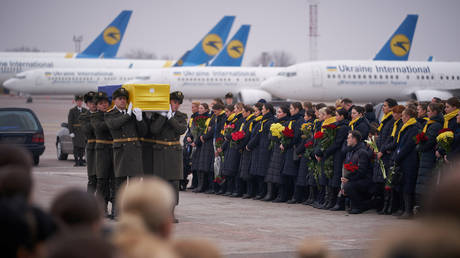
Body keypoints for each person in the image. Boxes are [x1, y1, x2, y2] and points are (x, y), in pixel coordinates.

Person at [104, 87, 147, 218]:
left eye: (125, 99)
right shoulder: (109, 114)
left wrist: (139, 119)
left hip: (134, 150)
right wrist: (128, 115)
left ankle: (133, 211)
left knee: (134, 183)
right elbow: (114, 125)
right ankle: (117, 211)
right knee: (120, 183)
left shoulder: (132, 113)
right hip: (121, 150)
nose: (123, 101)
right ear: (114, 100)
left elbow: (143, 132)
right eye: (120, 99)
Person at [150, 91, 188, 223]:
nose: (175, 105)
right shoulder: (158, 115)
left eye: (178, 103)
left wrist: (170, 117)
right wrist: (162, 116)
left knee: (173, 183)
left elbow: (181, 129)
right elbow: (154, 130)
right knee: (160, 183)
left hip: (174, 152)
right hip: (160, 152)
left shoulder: (181, 116)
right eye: (173, 102)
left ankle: (171, 212)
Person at [90, 91, 115, 218]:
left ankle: (113, 209)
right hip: (102, 151)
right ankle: (100, 208)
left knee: (113, 179)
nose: (104, 105)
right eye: (101, 103)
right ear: (97, 105)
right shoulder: (95, 116)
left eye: (105, 103)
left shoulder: (111, 115)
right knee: (102, 180)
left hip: (113, 149)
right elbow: (100, 127)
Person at [415, 103, 443, 212]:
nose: (427, 113)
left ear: (435, 112)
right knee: (424, 183)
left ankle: (426, 208)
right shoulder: (430, 123)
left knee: (427, 183)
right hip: (426, 156)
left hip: (429, 156)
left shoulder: (435, 125)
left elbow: (428, 142)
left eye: (428, 111)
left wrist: (419, 146)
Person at [393, 108, 420, 219]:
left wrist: (398, 157)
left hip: (410, 160)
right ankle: (404, 209)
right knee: (403, 184)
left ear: (408, 116)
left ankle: (408, 211)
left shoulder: (414, 128)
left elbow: (409, 145)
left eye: (403, 115)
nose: (402, 117)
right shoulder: (405, 127)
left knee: (408, 185)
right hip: (404, 159)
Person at [247, 103, 275, 200]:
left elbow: (260, 136)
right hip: (259, 149)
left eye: (263, 109)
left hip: (264, 149)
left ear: (268, 110)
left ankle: (263, 193)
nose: (262, 110)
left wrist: (250, 145)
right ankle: (260, 192)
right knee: (258, 172)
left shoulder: (269, 121)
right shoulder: (263, 121)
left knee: (262, 172)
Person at [375, 98, 397, 214]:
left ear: (392, 108)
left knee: (387, 181)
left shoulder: (392, 120)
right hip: (382, 152)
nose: (383, 108)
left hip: (386, 154)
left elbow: (390, 138)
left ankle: (389, 206)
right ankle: (384, 205)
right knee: (382, 181)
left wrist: (382, 150)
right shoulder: (385, 119)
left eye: (385, 106)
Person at [265, 104, 290, 202]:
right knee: (272, 173)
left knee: (279, 173)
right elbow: (269, 135)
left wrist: (278, 138)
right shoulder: (276, 122)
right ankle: (271, 194)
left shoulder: (286, 123)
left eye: (280, 112)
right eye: (277, 112)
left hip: (281, 150)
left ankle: (281, 195)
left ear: (285, 113)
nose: (278, 114)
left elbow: (286, 136)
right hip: (275, 149)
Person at [342, 130, 373, 214]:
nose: (347, 140)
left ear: (354, 139)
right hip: (356, 178)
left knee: (348, 186)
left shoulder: (362, 152)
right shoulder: (351, 151)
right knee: (345, 185)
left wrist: (349, 179)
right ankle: (355, 205)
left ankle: (359, 206)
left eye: (348, 138)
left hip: (365, 180)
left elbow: (362, 171)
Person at [326, 108, 350, 210]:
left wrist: (327, 151)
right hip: (335, 153)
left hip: (339, 154)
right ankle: (331, 200)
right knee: (333, 176)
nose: (335, 117)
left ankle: (337, 202)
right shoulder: (338, 125)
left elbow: (338, 142)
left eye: (337, 115)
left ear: (342, 116)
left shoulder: (343, 127)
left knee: (337, 176)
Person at [283, 102, 304, 204]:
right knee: (289, 174)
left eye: (291, 108)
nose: (290, 110)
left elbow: (296, 137)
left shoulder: (299, 120)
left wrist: (286, 144)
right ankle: (290, 195)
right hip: (290, 150)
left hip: (295, 150)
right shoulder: (292, 120)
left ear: (296, 109)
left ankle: (296, 196)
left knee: (294, 174)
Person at [240, 104, 261, 199]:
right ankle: (249, 191)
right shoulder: (248, 121)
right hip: (246, 147)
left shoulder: (252, 122)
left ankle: (251, 192)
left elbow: (248, 135)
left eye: (243, 111)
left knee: (248, 171)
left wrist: (245, 145)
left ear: (248, 112)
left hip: (249, 148)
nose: (242, 113)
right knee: (246, 171)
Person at [80, 91, 98, 194]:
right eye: (91, 102)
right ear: (87, 104)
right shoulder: (84, 116)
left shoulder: (103, 114)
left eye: (95, 102)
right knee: (92, 178)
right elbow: (87, 130)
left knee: (103, 178)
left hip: (105, 148)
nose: (94, 104)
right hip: (92, 148)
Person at [182, 101, 200, 190]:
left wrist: (192, 139)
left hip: (193, 143)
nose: (191, 109)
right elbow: (189, 130)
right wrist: (188, 137)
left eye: (193, 107)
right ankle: (191, 183)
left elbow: (196, 131)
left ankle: (195, 183)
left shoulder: (198, 117)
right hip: (188, 141)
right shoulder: (193, 117)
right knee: (188, 163)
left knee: (193, 163)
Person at [68, 94, 87, 166]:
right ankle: (76, 161)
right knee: (76, 147)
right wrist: (71, 132)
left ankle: (81, 160)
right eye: (78, 101)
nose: (79, 102)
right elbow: (70, 122)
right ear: (76, 102)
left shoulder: (85, 110)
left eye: (80, 101)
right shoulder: (72, 111)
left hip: (82, 132)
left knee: (82, 147)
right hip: (76, 131)